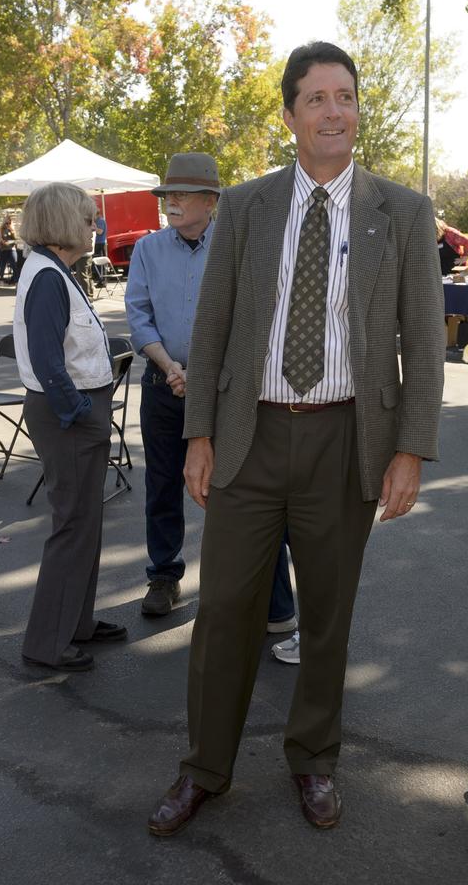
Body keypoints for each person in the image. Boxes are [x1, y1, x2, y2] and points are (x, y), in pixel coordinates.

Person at [147, 41, 443, 836]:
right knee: (225, 613)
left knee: (328, 616)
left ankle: (314, 758)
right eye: (316, 99)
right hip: (250, 437)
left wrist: (411, 448)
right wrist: (200, 433)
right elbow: (211, 331)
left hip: (346, 442)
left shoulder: (403, 213)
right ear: (289, 116)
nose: (334, 111)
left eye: (345, 96)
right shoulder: (246, 206)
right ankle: (204, 768)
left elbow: (424, 333)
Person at [125, 152, 298, 631]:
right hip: (163, 384)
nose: (170, 204)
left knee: (243, 489)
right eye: (166, 196)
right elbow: (138, 316)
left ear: (210, 200)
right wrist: (170, 365)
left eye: (180, 196)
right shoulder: (148, 250)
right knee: (162, 485)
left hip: (225, 391)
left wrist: (202, 374)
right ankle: (163, 575)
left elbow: (253, 319)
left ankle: (268, 593)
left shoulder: (237, 244)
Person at [13, 181, 124, 673]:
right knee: (74, 525)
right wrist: (80, 411)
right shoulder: (48, 276)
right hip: (68, 417)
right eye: (86, 219)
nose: (94, 227)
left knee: (84, 524)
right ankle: (48, 641)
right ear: (62, 224)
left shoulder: (53, 271)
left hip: (73, 413)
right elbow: (47, 361)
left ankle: (76, 623)